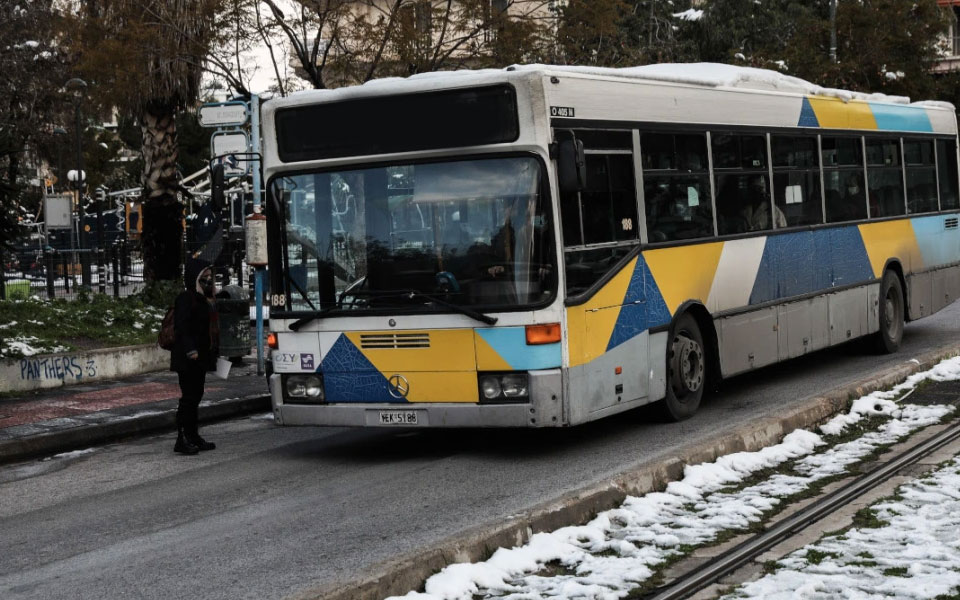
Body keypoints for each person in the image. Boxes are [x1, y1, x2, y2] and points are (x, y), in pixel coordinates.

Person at [170, 258, 219, 455]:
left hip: (201, 358)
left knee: (196, 396)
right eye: (204, 277)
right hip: (188, 358)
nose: (208, 281)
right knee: (188, 398)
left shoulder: (206, 300)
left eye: (209, 277)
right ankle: (182, 438)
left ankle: (193, 435)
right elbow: (182, 328)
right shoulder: (186, 298)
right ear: (194, 278)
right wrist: (191, 350)